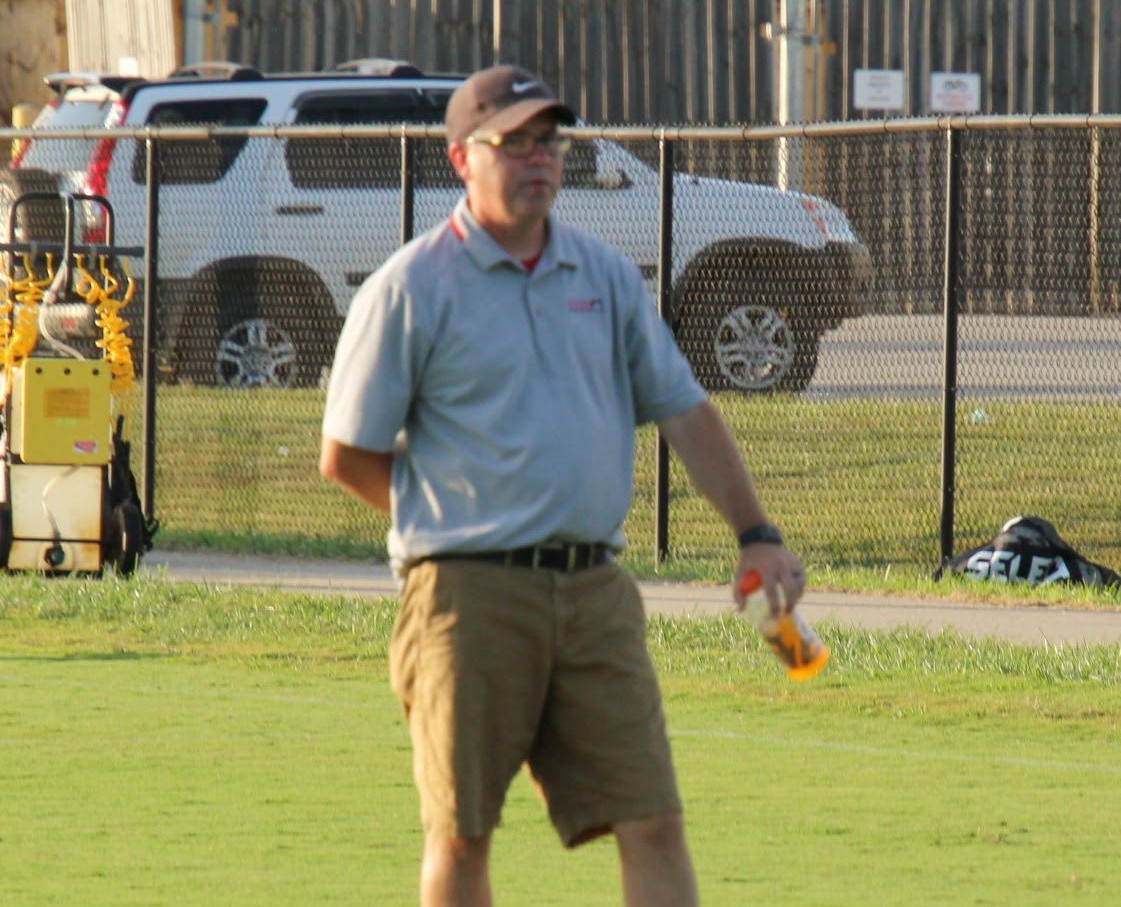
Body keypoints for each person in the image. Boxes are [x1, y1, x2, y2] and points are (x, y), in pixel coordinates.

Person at [319, 64, 807, 907]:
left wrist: (755, 533)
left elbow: (685, 410)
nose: (538, 160)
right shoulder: (409, 286)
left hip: (594, 592)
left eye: (549, 142)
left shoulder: (604, 276)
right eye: (514, 143)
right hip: (465, 601)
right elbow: (347, 454)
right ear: (460, 159)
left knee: (652, 820)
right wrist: (452, 520)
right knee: (462, 835)